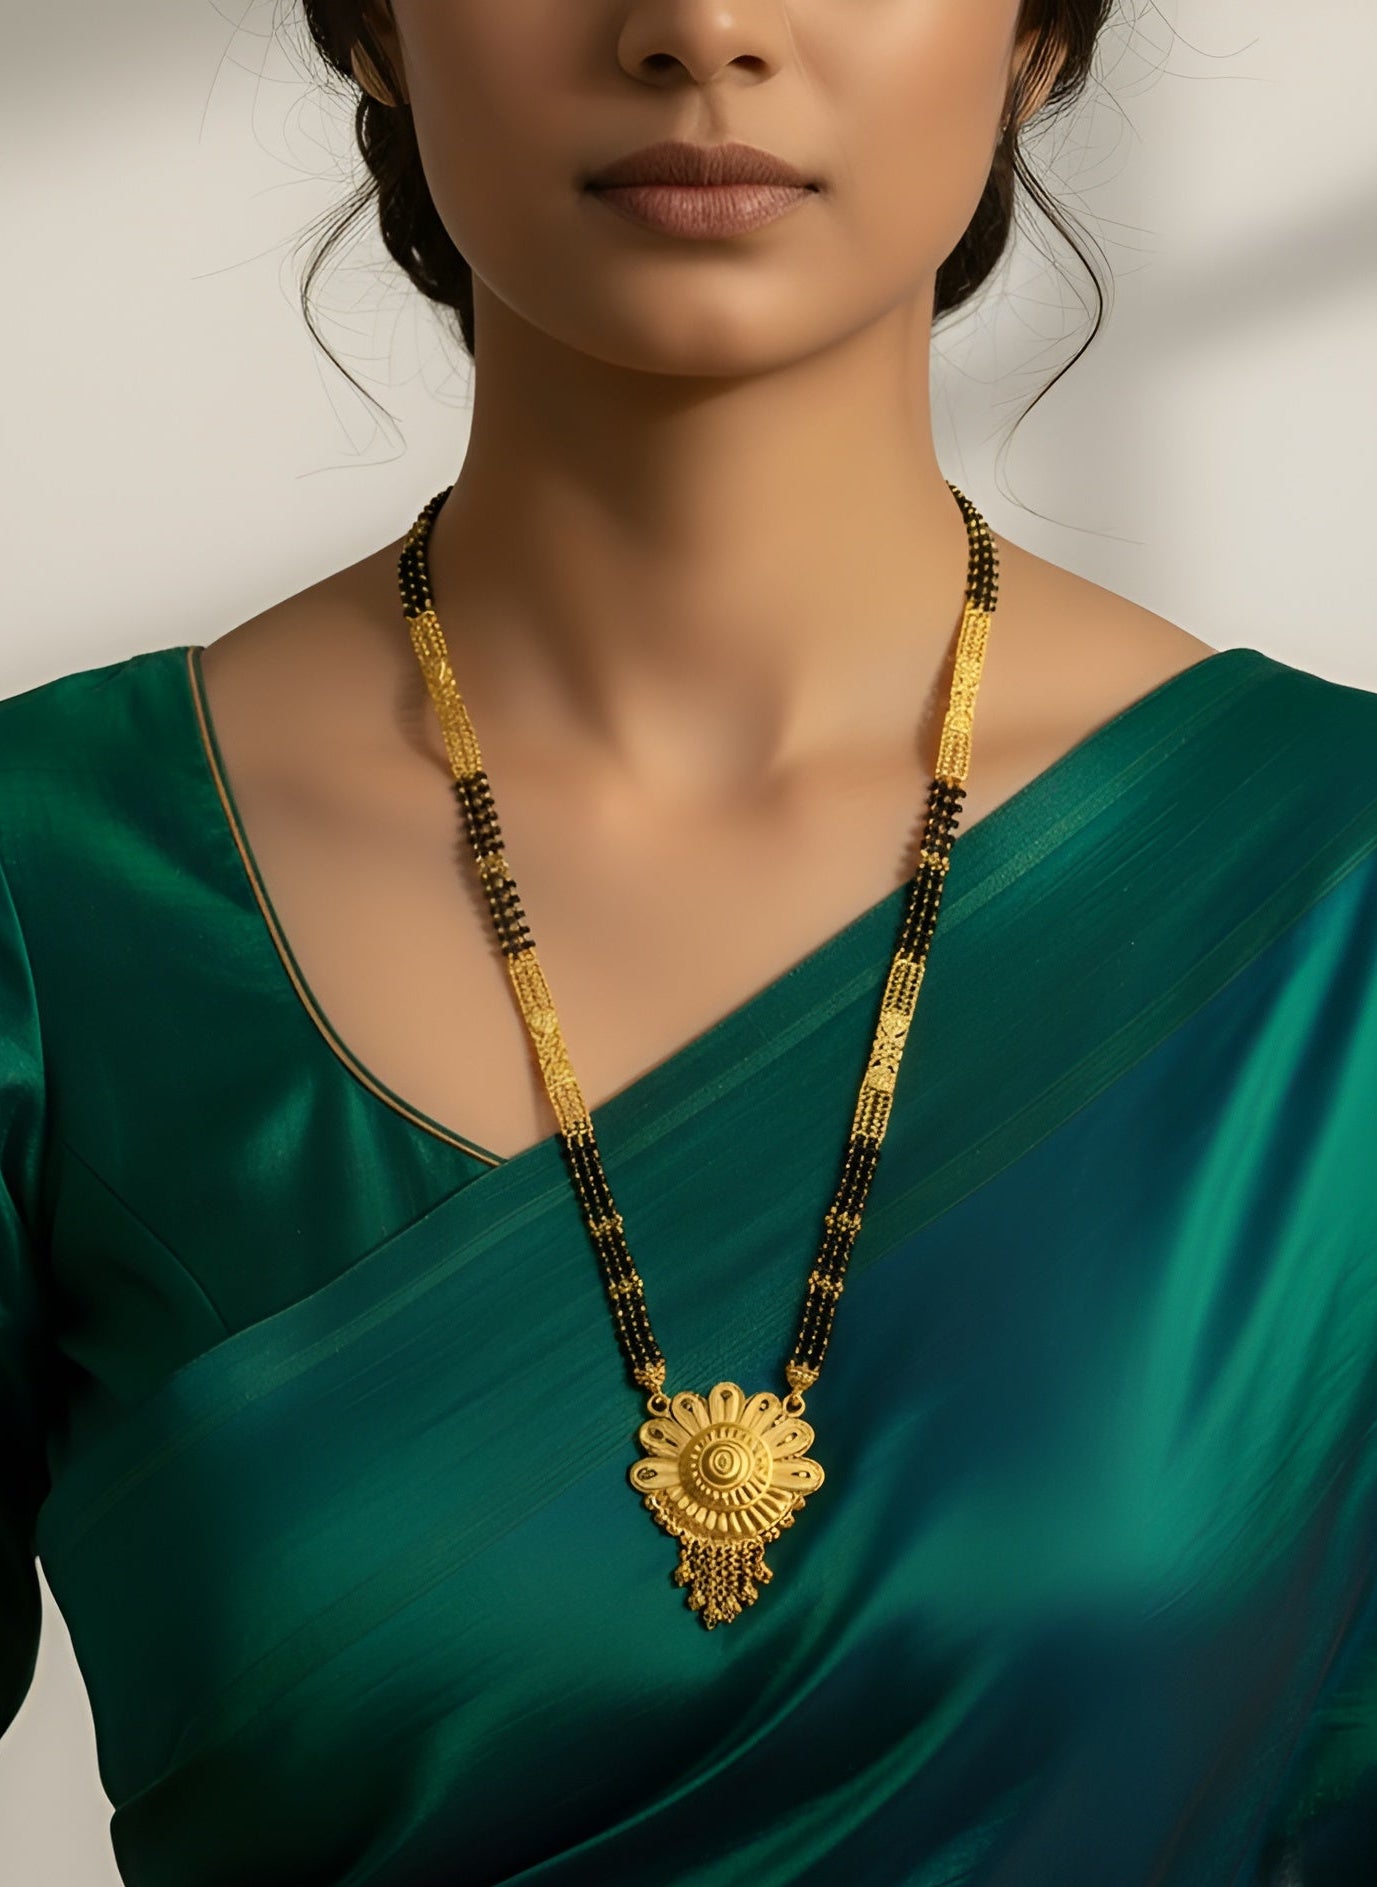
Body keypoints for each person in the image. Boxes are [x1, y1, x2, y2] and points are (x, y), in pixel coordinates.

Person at [2, 2, 1374, 1881]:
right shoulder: (54, 879)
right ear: (375, 29)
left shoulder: (1331, 888)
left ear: (1041, 33)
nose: (701, 26)